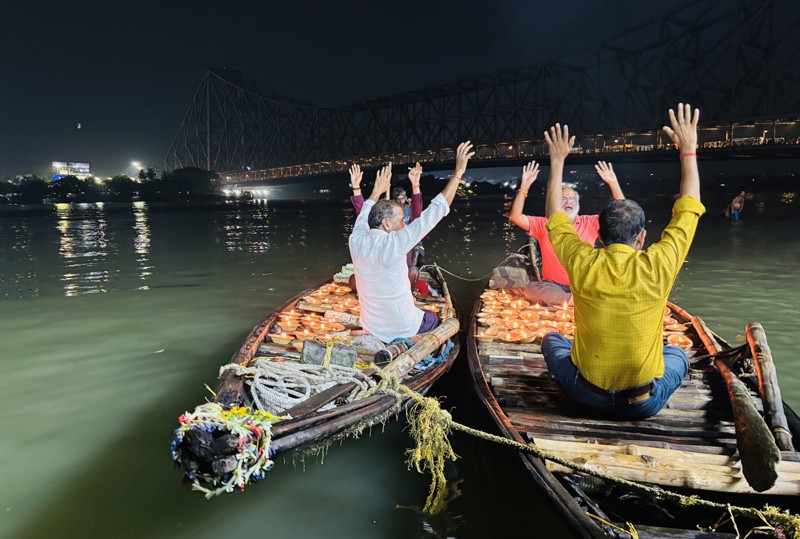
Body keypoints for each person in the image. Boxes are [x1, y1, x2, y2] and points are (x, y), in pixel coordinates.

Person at [540, 103, 706, 420]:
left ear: (600, 236)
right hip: (642, 404)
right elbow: (688, 209)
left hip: (585, 394)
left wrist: (557, 161)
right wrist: (688, 150)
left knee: (551, 340)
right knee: (677, 354)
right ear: (641, 237)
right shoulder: (660, 263)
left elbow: (555, 218)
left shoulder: (582, 261)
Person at [348, 142, 474, 343]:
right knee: (433, 318)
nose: (403, 224)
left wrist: (376, 190)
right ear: (386, 223)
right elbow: (436, 210)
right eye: (400, 221)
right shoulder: (395, 243)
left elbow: (365, 211)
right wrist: (458, 172)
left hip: (370, 326)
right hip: (403, 328)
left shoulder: (355, 240)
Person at [508, 160, 625, 305]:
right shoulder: (544, 223)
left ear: (578, 203)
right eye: (563, 199)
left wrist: (613, 183)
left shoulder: (590, 222)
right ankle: (576, 301)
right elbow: (515, 217)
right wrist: (524, 187)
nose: (568, 202)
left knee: (607, 282)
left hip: (583, 284)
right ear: (556, 203)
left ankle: (572, 300)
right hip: (553, 286)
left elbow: (621, 215)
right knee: (532, 289)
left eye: (572, 199)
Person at [349, 162, 427, 290]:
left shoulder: (402, 235)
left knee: (412, 270)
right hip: (378, 275)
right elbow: (363, 215)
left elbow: (418, 217)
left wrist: (415, 186)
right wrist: (356, 188)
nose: (401, 202)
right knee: (353, 279)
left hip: (398, 276)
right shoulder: (372, 231)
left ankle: (409, 294)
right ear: (386, 222)